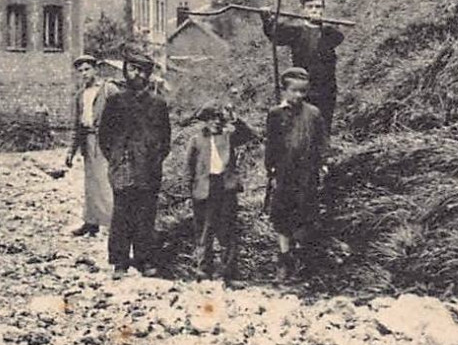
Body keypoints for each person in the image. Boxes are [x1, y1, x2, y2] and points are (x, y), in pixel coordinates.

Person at [97, 48, 171, 276]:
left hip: (148, 167)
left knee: (146, 214)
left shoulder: (158, 104)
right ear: (126, 71)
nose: (137, 74)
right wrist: (117, 159)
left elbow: (165, 139)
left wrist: (154, 158)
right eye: (132, 69)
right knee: (121, 214)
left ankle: (145, 260)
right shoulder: (115, 101)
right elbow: (105, 137)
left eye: (142, 70)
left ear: (148, 74)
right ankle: (120, 262)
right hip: (124, 166)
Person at [263, 67, 325, 282]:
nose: (299, 95)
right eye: (294, 91)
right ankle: (284, 261)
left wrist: (321, 165)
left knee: (305, 216)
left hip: (307, 174)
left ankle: (302, 263)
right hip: (285, 173)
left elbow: (320, 144)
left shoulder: (314, 114)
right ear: (285, 91)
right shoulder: (275, 114)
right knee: (282, 216)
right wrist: (270, 166)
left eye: (303, 91)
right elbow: (271, 143)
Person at [181, 103, 252, 281]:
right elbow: (188, 167)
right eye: (211, 118)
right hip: (204, 188)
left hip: (225, 187)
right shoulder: (196, 140)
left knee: (226, 227)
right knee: (204, 229)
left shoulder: (228, 137)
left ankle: (227, 270)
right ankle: (204, 268)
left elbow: (247, 135)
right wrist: (189, 191)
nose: (216, 122)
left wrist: (235, 118)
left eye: (220, 118)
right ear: (204, 121)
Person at [261, 0, 344, 126]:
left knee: (323, 124)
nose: (314, 10)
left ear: (323, 9)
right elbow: (275, 36)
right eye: (310, 7)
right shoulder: (295, 30)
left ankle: (323, 147)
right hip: (302, 86)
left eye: (318, 7)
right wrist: (267, 19)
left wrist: (319, 24)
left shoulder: (328, 30)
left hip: (326, 87)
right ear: (303, 9)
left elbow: (338, 38)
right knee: (303, 124)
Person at [63, 54, 114, 237]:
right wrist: (71, 151)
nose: (84, 74)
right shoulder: (80, 95)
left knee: (106, 182)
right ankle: (91, 222)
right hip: (88, 141)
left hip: (106, 142)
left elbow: (122, 116)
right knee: (90, 183)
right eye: (80, 71)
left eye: (87, 69)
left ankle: (113, 224)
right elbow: (77, 125)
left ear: (96, 69)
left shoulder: (108, 90)